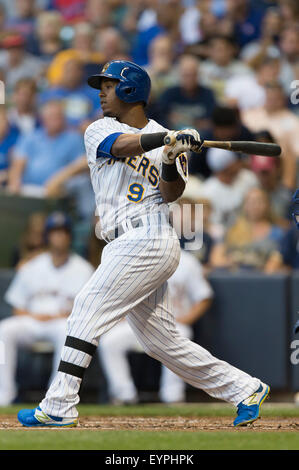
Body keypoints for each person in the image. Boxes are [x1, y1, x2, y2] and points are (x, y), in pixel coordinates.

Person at [18, 60, 269, 428]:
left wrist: (171, 157)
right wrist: (166, 141)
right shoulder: (99, 129)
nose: (102, 92)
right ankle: (244, 388)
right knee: (161, 340)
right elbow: (121, 146)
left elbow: (172, 192)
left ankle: (59, 404)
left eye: (109, 85)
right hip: (127, 241)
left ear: (130, 90)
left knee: (87, 307)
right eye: (101, 86)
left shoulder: (167, 138)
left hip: (147, 237)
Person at [0, 212, 94, 406]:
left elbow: (87, 311)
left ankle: (56, 396)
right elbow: (17, 307)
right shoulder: (32, 266)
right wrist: (35, 315)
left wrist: (62, 316)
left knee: (68, 332)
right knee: (4, 331)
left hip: (62, 322)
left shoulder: (83, 269)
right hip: (32, 321)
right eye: (54, 232)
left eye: (63, 232)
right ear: (47, 236)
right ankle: (4, 394)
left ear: (70, 236)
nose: (59, 237)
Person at [99, 248, 213, 405]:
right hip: (138, 323)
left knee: (181, 336)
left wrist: (187, 318)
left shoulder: (187, 261)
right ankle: (124, 395)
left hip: (173, 322)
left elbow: (204, 296)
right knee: (110, 341)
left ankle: (173, 396)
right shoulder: (134, 257)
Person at [7, 100, 86, 197]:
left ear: (64, 118)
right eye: (50, 117)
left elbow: (82, 164)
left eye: (57, 117)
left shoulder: (74, 138)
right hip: (28, 189)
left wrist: (58, 180)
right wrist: (15, 181)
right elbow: (19, 162)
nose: (54, 120)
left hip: (59, 191)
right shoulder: (31, 136)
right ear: (43, 118)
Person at [210, 187, 284, 273]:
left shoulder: (277, 232)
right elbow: (216, 259)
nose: (255, 205)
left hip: (262, 278)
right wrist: (233, 263)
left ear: (267, 205)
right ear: (244, 205)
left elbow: (275, 262)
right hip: (234, 277)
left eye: (259, 201)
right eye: (251, 201)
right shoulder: (231, 229)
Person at [158, 54, 216, 131]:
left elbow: (210, 122)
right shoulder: (169, 94)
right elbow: (160, 118)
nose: (189, 79)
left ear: (198, 74)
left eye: (192, 75)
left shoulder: (208, 94)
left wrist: (183, 120)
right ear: (179, 75)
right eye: (186, 75)